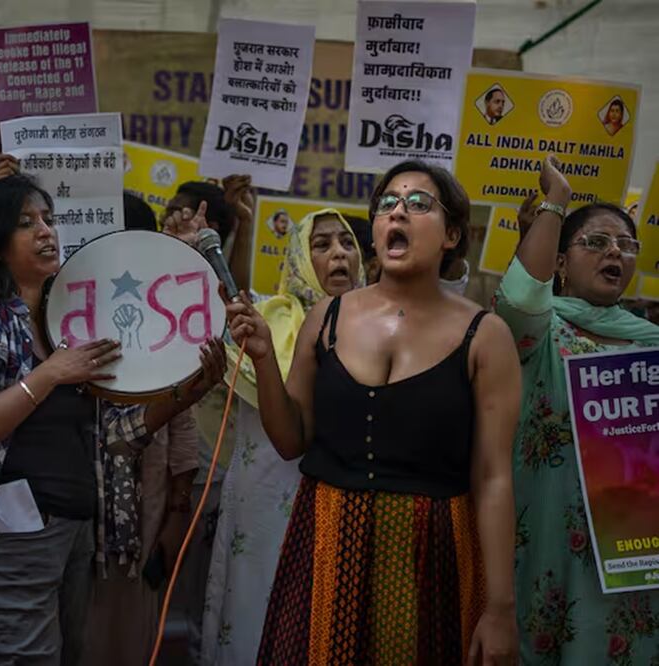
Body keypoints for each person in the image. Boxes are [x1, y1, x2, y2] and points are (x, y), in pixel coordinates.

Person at [227, 160, 521, 664]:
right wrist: (262, 359)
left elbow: (493, 477)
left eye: (418, 204)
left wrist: (500, 608)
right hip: (324, 542)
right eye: (387, 204)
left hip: (429, 552)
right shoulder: (328, 316)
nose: (397, 213)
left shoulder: (485, 335)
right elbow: (291, 438)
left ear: (452, 233)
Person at [0, 174, 226, 665]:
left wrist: (185, 392)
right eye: (26, 222)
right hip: (11, 538)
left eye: (48, 219)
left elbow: (114, 435)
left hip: (77, 534)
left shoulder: (66, 323)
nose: (46, 231)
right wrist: (47, 375)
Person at [498, 156, 659, 663]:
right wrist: (555, 203)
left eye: (626, 245)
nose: (615, 251)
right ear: (560, 263)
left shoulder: (652, 346)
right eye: (595, 241)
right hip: (547, 548)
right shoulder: (539, 334)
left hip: (632, 562)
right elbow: (521, 300)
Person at [203, 207, 366, 665]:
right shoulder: (267, 320)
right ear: (296, 258)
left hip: (338, 499)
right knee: (255, 615)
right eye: (322, 244)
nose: (339, 253)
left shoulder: (378, 328)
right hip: (264, 501)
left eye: (347, 242)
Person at [81, 194, 202, 666]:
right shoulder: (62, 319)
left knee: (132, 639)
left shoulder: (162, 323)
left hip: (146, 522)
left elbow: (184, 427)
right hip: (76, 520)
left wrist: (174, 516)